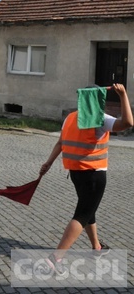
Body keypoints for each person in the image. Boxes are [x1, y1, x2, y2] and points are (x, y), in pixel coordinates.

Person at [39, 83, 133, 276]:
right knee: (82, 214)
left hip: (76, 173)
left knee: (88, 209)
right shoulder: (100, 119)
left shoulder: (70, 117)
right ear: (98, 100)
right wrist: (123, 95)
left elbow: (61, 142)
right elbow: (128, 123)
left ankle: (96, 246)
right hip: (94, 175)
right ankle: (55, 259)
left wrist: (48, 163)